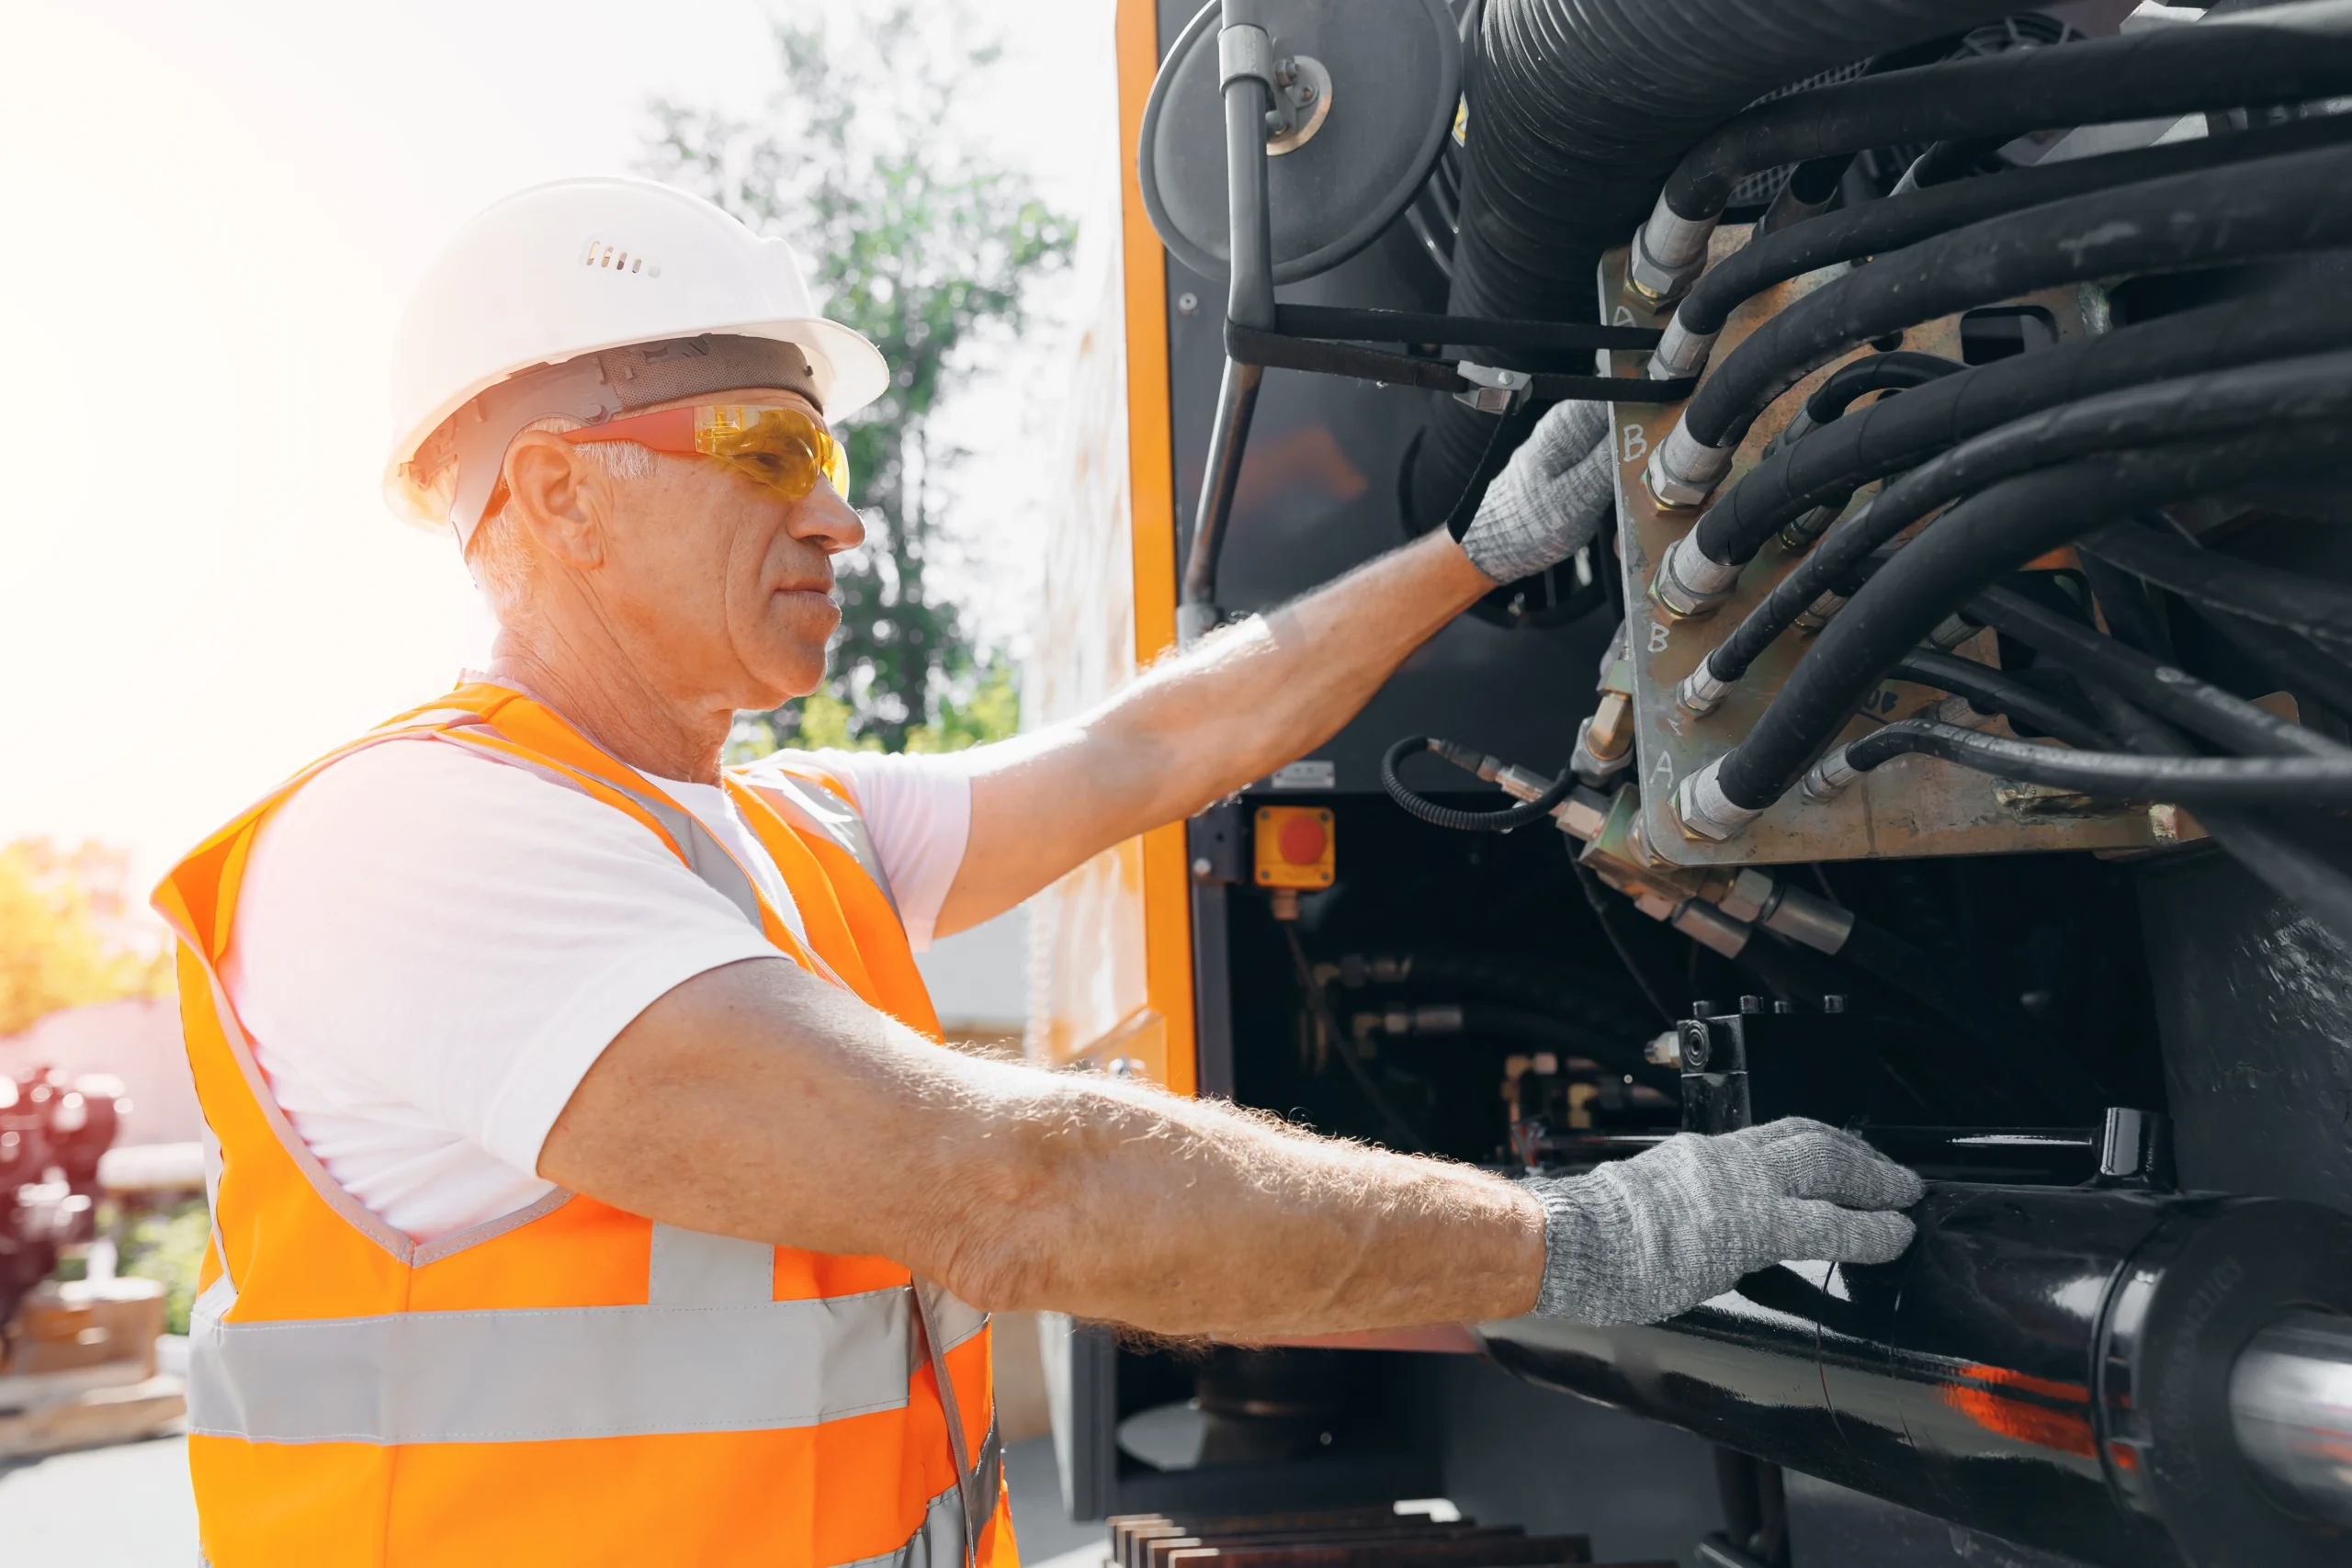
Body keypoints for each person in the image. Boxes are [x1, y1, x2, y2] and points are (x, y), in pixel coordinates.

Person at [156, 177, 1922, 1567]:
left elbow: (1140, 751)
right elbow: (1015, 1185)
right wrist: (1587, 1238)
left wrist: (1468, 555)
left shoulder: (779, 830)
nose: (840, 517)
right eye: (768, 451)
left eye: (829, 457)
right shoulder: (417, 843)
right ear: (553, 496)